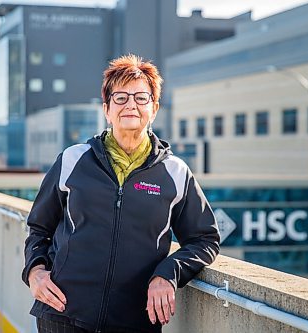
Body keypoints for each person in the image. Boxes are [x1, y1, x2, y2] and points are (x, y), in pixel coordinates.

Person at [22, 54, 220, 333]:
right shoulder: (72, 160)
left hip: (135, 321)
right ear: (106, 108)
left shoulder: (176, 173)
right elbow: (38, 228)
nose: (131, 105)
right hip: (62, 313)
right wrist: (35, 271)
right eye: (121, 97)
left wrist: (168, 274)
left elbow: (204, 239)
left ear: (155, 108)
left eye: (141, 98)